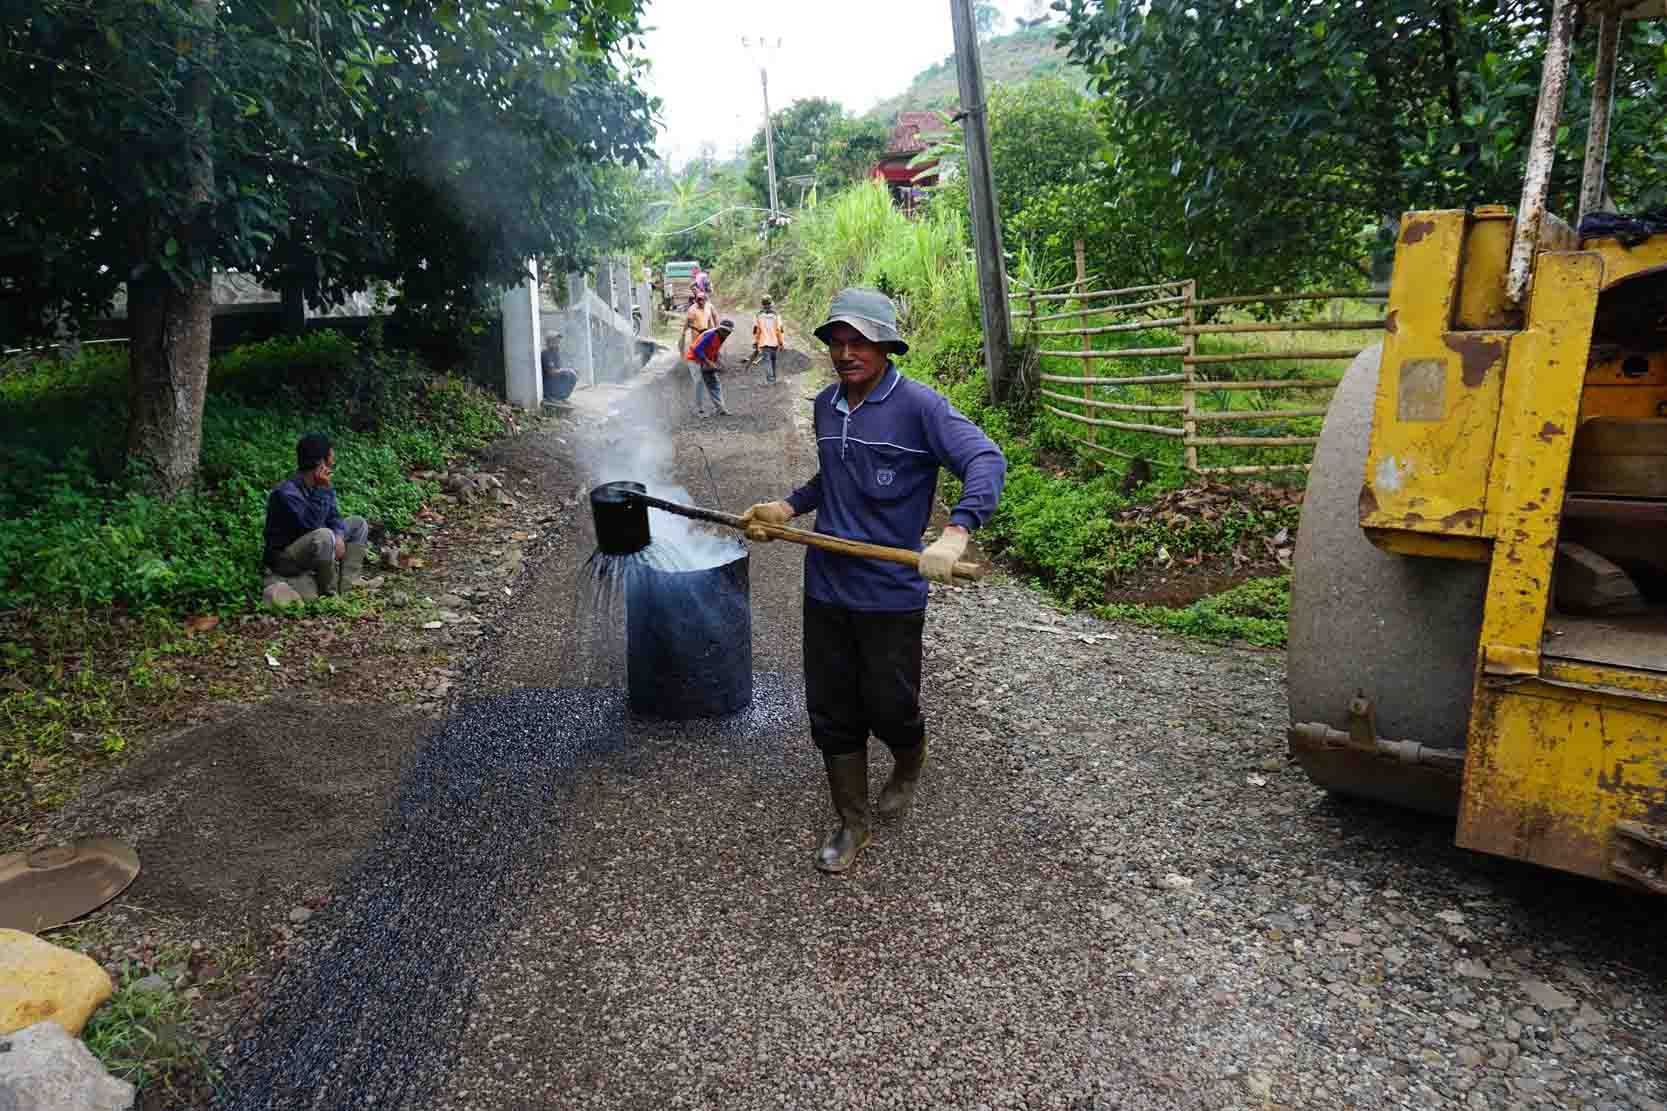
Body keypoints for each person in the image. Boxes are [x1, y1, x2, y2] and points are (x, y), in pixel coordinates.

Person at [741, 288, 1006, 874]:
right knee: (832, 709)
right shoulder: (825, 406)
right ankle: (852, 822)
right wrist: (786, 508)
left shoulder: (920, 407)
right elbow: (832, 478)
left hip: (889, 593)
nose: (844, 351)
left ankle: (910, 758)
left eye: (858, 340)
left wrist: (955, 534)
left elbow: (986, 459)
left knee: (890, 706)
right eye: (836, 341)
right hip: (827, 588)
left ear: (886, 344)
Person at [263, 433, 370, 597]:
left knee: (358, 524)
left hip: (315, 545)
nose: (333, 463)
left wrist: (339, 536)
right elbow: (311, 526)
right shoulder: (286, 493)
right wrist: (321, 490)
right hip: (287, 557)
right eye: (331, 458)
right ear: (320, 462)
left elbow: (335, 517)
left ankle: (349, 587)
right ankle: (330, 593)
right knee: (325, 535)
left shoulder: (322, 485)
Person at [679, 290, 721, 414]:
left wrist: (714, 330)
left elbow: (711, 320)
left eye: (702, 299)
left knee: (709, 374)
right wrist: (683, 333)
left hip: (706, 335)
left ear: (705, 300)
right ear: (696, 300)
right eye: (698, 300)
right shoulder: (692, 310)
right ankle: (699, 407)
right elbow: (687, 323)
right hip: (696, 337)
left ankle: (717, 405)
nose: (700, 302)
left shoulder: (708, 307)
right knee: (698, 378)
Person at [685, 317, 735, 417]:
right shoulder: (711, 334)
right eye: (725, 331)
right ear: (720, 328)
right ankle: (699, 411)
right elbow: (697, 349)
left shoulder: (722, 337)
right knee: (699, 382)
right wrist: (708, 362)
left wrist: (717, 363)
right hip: (694, 359)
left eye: (729, 332)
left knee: (714, 384)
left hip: (706, 360)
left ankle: (721, 409)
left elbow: (714, 350)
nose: (727, 333)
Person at [751, 296, 785, 386]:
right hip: (775, 342)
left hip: (763, 342)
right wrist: (781, 343)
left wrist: (756, 341)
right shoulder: (776, 315)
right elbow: (780, 330)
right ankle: (772, 378)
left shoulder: (758, 315)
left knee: (767, 361)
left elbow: (756, 330)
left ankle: (771, 379)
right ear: (771, 304)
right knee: (773, 360)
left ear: (762, 305)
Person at [540, 332, 578, 403]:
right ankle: (551, 397)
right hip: (547, 384)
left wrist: (570, 370)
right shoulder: (546, 353)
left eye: (558, 341)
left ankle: (560, 397)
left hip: (553, 380)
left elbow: (559, 368)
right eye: (555, 341)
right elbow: (551, 372)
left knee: (571, 374)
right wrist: (567, 370)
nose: (558, 343)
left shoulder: (555, 353)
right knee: (571, 374)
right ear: (549, 342)